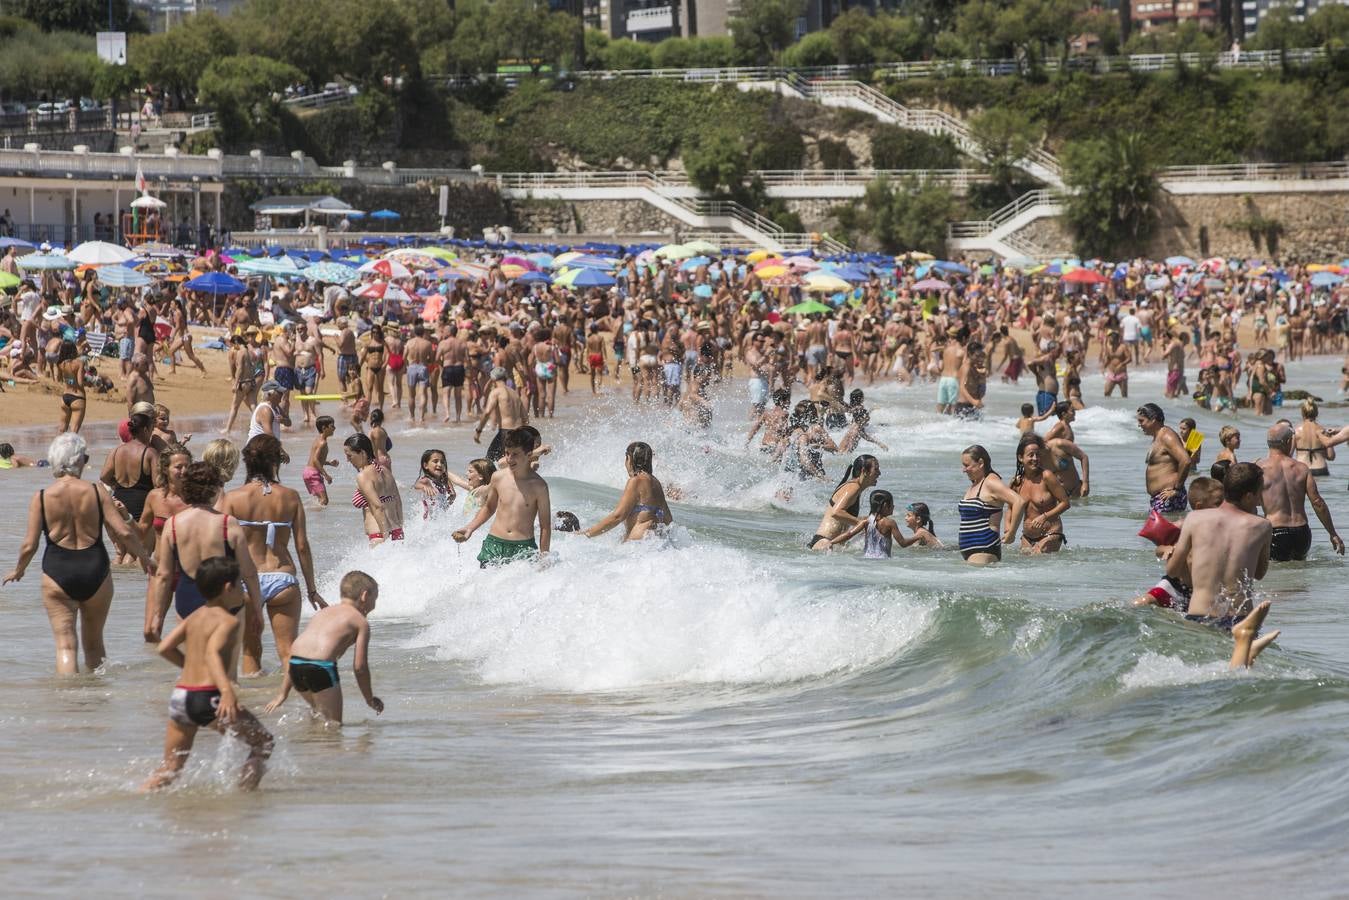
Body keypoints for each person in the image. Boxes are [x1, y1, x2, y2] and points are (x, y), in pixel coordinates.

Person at [4, 433, 152, 674]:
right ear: (79, 460)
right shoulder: (96, 492)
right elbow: (123, 532)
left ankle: (69, 700)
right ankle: (96, 704)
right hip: (96, 570)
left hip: (57, 572)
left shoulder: (41, 497)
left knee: (65, 646)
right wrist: (145, 559)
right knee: (94, 646)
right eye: (85, 457)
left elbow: (28, 546)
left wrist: (18, 570)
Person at [141, 556, 274, 791]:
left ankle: (139, 796)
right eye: (239, 583)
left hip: (181, 696)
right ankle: (244, 799)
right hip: (208, 697)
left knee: (171, 769)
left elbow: (164, 647)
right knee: (264, 742)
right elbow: (212, 653)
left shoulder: (195, 616)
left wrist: (190, 666)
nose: (241, 589)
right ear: (227, 587)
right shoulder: (228, 621)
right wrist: (227, 692)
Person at [222, 435, 325, 675]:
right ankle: (293, 704)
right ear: (275, 462)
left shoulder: (233, 498)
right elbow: (302, 546)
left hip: (247, 581)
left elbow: (222, 546)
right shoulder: (290, 496)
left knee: (249, 651)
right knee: (288, 651)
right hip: (283, 579)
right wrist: (312, 589)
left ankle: (256, 705)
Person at [1163, 463, 1281, 667]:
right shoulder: (1262, 526)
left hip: (1199, 615)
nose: (1262, 499)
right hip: (1240, 617)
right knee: (1241, 673)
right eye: (1260, 493)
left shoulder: (1195, 518)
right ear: (1247, 497)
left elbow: (1172, 570)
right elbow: (1259, 573)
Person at [144, 461, 264, 647]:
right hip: (225, 599)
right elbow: (249, 572)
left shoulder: (173, 525)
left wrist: (158, 616)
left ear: (186, 488)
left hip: (187, 598)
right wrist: (257, 608)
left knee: (194, 662)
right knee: (225, 668)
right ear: (215, 489)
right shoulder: (227, 523)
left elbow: (164, 575)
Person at [263, 570, 383, 725]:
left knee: (318, 715)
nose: (375, 603)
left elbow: (298, 653)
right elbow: (360, 667)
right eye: (375, 598)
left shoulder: (323, 613)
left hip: (295, 668)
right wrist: (369, 699)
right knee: (333, 726)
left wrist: (282, 694)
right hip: (321, 668)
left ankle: (311, 746)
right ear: (365, 596)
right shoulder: (360, 622)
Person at [453, 428, 552, 567]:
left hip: (523, 548)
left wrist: (544, 557)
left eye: (515, 454)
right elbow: (489, 507)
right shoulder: (498, 477)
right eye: (507, 453)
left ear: (529, 454)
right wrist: (470, 528)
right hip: (494, 544)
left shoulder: (539, 486)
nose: (509, 459)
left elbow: (545, 526)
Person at [1256, 423, 1344, 561]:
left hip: (1275, 532)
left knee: (1278, 576)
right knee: (1299, 575)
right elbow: (1318, 502)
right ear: (1288, 442)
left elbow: (1248, 500)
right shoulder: (1302, 468)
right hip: (1301, 533)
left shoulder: (1259, 469)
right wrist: (1332, 533)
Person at [584, 441, 674, 542]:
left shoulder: (636, 481)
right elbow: (668, 520)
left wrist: (587, 534)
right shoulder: (656, 483)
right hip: (655, 542)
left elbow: (617, 516)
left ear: (629, 458)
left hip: (638, 544)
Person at [957, 444, 1026, 566]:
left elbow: (1019, 502)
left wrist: (1011, 533)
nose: (964, 470)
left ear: (981, 463)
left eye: (967, 465)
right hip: (972, 550)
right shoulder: (976, 483)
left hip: (984, 548)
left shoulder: (991, 482)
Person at [1010, 433, 1070, 553]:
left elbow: (1065, 503)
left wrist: (1044, 517)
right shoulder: (1017, 482)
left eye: (1038, 455)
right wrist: (1008, 531)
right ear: (1021, 458)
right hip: (1027, 537)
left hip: (1051, 533)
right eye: (1031, 455)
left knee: (1037, 557)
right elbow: (1010, 509)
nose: (1035, 458)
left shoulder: (1047, 476)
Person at [807, 455, 880, 550]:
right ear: (864, 471)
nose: (879, 473)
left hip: (828, 543)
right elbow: (836, 512)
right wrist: (861, 523)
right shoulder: (853, 487)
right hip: (825, 543)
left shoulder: (855, 487)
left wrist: (869, 520)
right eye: (876, 469)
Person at [100, 412, 159, 525]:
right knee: (144, 541)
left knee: (122, 541)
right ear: (146, 430)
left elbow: (103, 477)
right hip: (142, 507)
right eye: (152, 429)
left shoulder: (116, 451)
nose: (152, 433)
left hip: (119, 503)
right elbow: (157, 485)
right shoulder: (150, 453)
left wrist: (116, 484)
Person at [344, 433, 404, 544]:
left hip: (380, 535)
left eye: (349, 455)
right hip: (397, 531)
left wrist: (385, 537)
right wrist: (400, 531)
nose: (347, 460)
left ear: (362, 453)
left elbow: (378, 507)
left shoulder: (363, 476)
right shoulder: (385, 470)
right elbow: (398, 502)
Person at [1136, 403, 1191, 518]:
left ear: (1153, 420)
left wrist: (1176, 489)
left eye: (1141, 421)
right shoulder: (1158, 437)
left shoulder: (1167, 436)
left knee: (1160, 535)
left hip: (1169, 496)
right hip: (1162, 497)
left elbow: (1185, 460)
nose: (1139, 425)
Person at [137, 442, 191, 545]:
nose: (184, 471)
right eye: (178, 467)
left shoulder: (196, 497)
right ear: (165, 469)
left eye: (187, 466)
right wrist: (126, 517)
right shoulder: (154, 497)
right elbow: (141, 533)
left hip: (187, 560)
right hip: (160, 560)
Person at [829, 489, 909, 558]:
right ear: (885, 505)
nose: (893, 506)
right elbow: (903, 543)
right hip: (883, 560)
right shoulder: (890, 523)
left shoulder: (865, 521)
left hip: (866, 558)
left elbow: (849, 534)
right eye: (891, 504)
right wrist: (917, 536)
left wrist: (831, 542)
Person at [474, 367, 528, 463]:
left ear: (493, 379)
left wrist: (478, 431)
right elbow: (525, 418)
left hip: (506, 433)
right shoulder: (515, 394)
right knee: (513, 463)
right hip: (520, 432)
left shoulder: (496, 392)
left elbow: (487, 412)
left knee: (489, 463)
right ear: (505, 378)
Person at [302, 416, 339, 506]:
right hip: (313, 473)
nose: (334, 428)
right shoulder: (323, 442)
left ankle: (317, 517)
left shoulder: (318, 439)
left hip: (308, 472)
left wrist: (329, 463)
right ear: (324, 428)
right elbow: (315, 460)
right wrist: (326, 475)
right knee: (324, 500)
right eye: (332, 426)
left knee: (320, 501)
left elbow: (316, 459)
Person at [1293, 400, 1334, 477]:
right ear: (1316, 413)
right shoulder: (1323, 431)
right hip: (1321, 468)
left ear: (1302, 413)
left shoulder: (1296, 432)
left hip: (1302, 469)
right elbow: (1331, 456)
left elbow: (1288, 455)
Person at [414, 448, 455, 518]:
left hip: (440, 516)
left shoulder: (445, 481)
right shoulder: (426, 480)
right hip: (427, 519)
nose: (439, 464)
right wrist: (424, 487)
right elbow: (416, 485)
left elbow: (453, 494)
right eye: (435, 461)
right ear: (426, 466)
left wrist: (449, 500)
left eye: (442, 462)